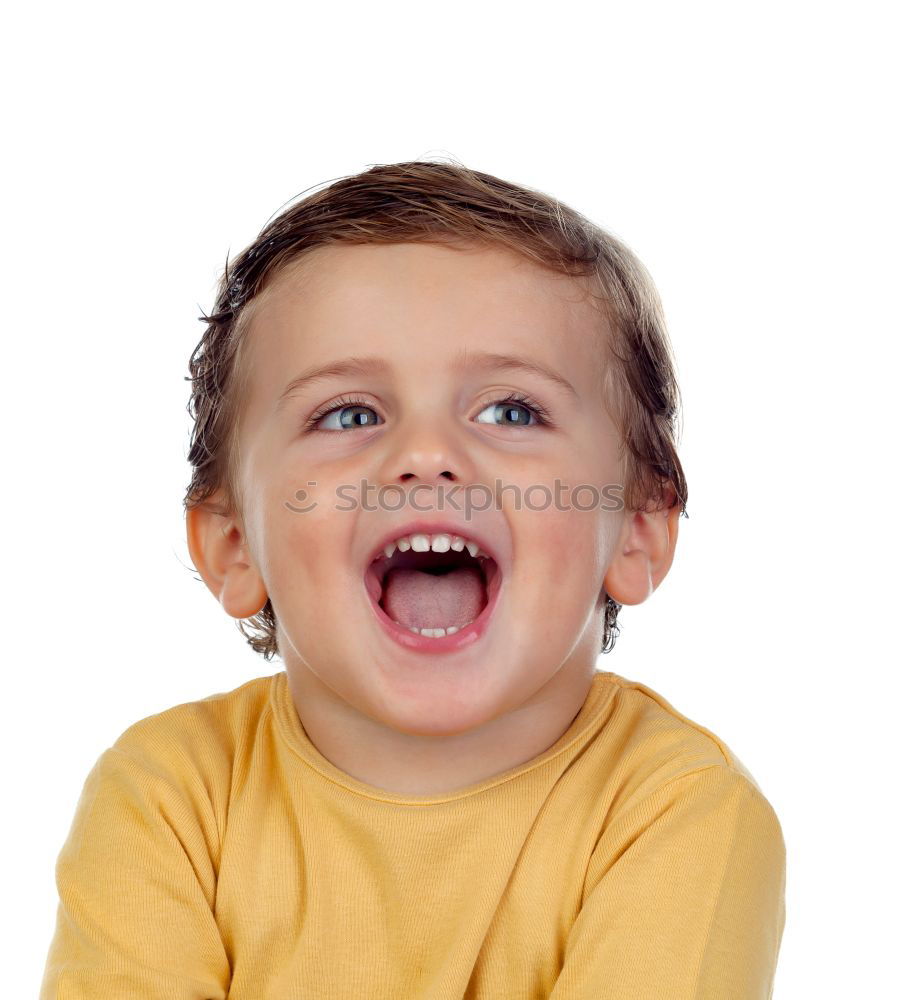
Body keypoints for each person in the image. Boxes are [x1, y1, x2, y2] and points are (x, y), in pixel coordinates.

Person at [40, 160, 786, 998]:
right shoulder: (170, 796)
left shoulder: (676, 812)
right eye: (349, 414)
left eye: (511, 410)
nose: (426, 456)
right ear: (233, 544)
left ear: (640, 529)